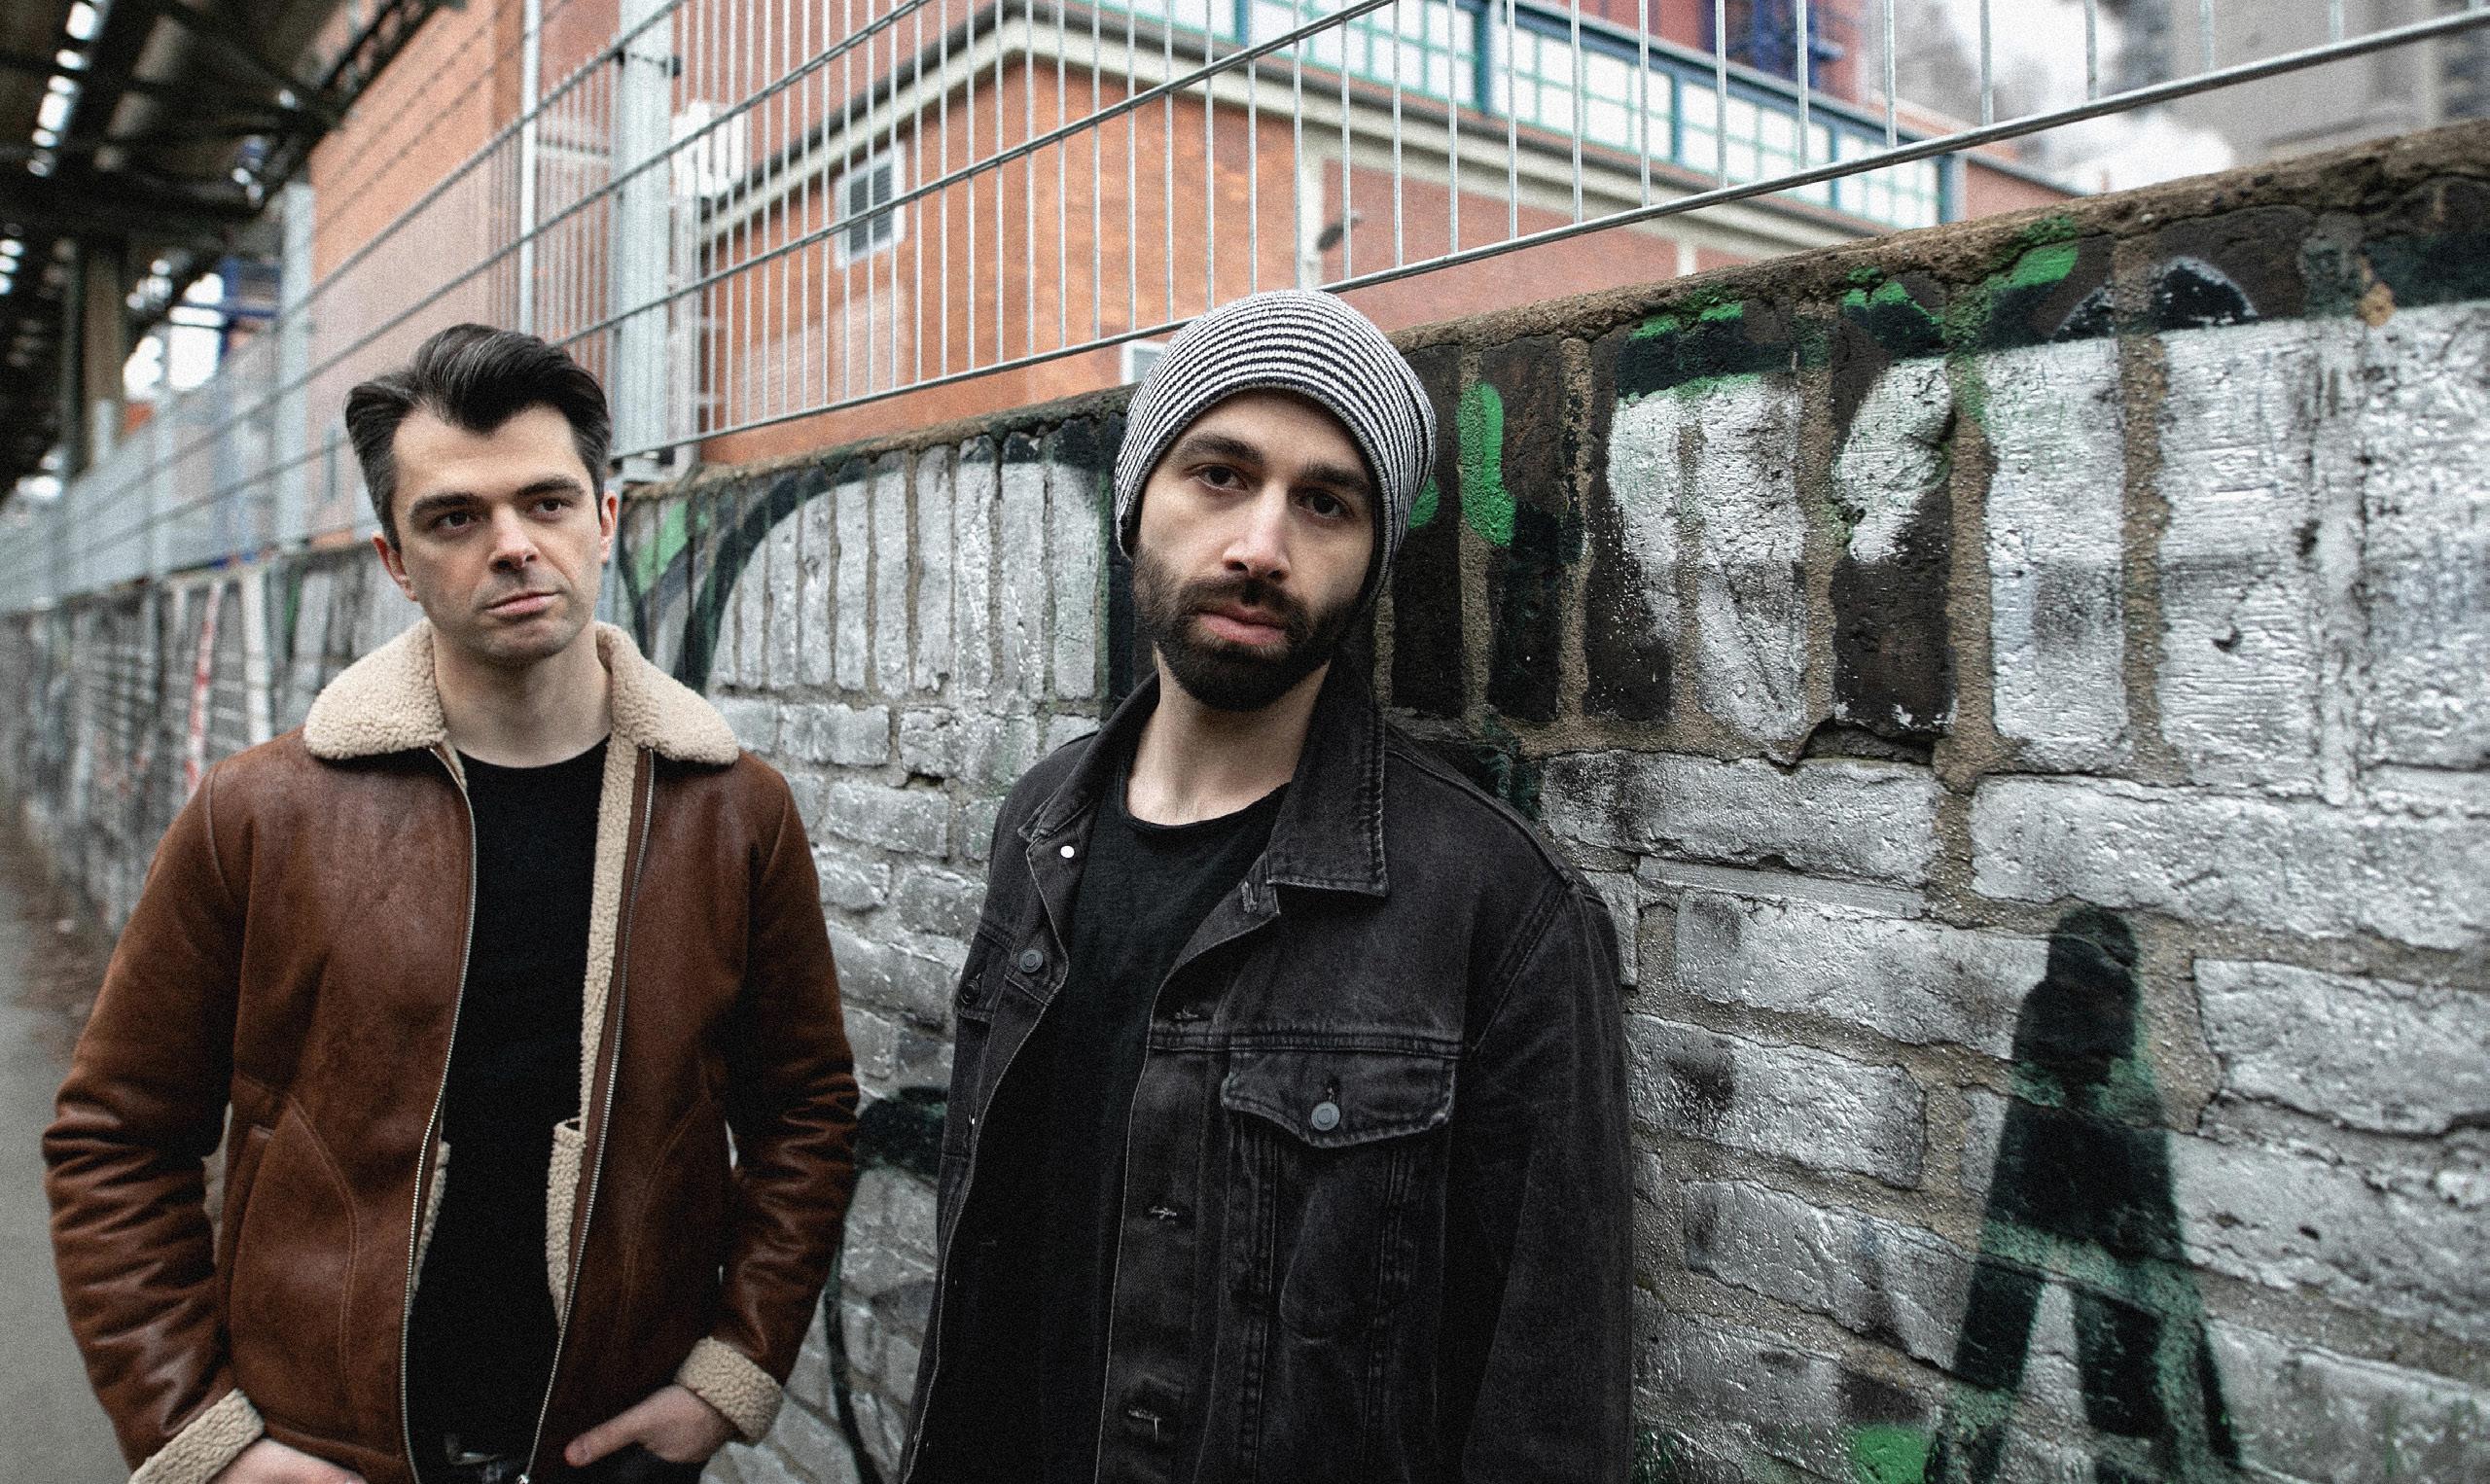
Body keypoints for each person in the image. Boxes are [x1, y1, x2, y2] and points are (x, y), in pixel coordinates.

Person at [47, 325, 858, 1484]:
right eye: (454, 517)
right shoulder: (262, 812)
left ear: (606, 517)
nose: (513, 545)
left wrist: (728, 1375)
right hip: (326, 1444)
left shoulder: (730, 810)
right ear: (395, 559)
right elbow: (116, 1136)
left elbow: (806, 1115)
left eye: (546, 502)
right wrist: (204, 1438)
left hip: (612, 1446)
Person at [899, 292, 1633, 1484]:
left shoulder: (1495, 907)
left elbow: (1545, 1407)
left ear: (1372, 561)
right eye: (1220, 475)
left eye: (1325, 502)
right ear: (1136, 501)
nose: (1260, 546)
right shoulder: (1038, 823)